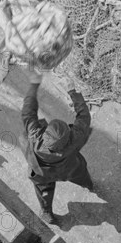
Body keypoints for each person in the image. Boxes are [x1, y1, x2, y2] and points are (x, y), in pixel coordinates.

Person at [22, 68, 94, 224]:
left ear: (46, 133)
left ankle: (47, 213)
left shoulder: (35, 137)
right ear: (68, 137)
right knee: (81, 174)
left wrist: (33, 86)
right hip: (69, 169)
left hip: (40, 173)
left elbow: (28, 113)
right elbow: (84, 116)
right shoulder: (74, 139)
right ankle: (89, 185)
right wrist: (72, 91)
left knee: (44, 192)